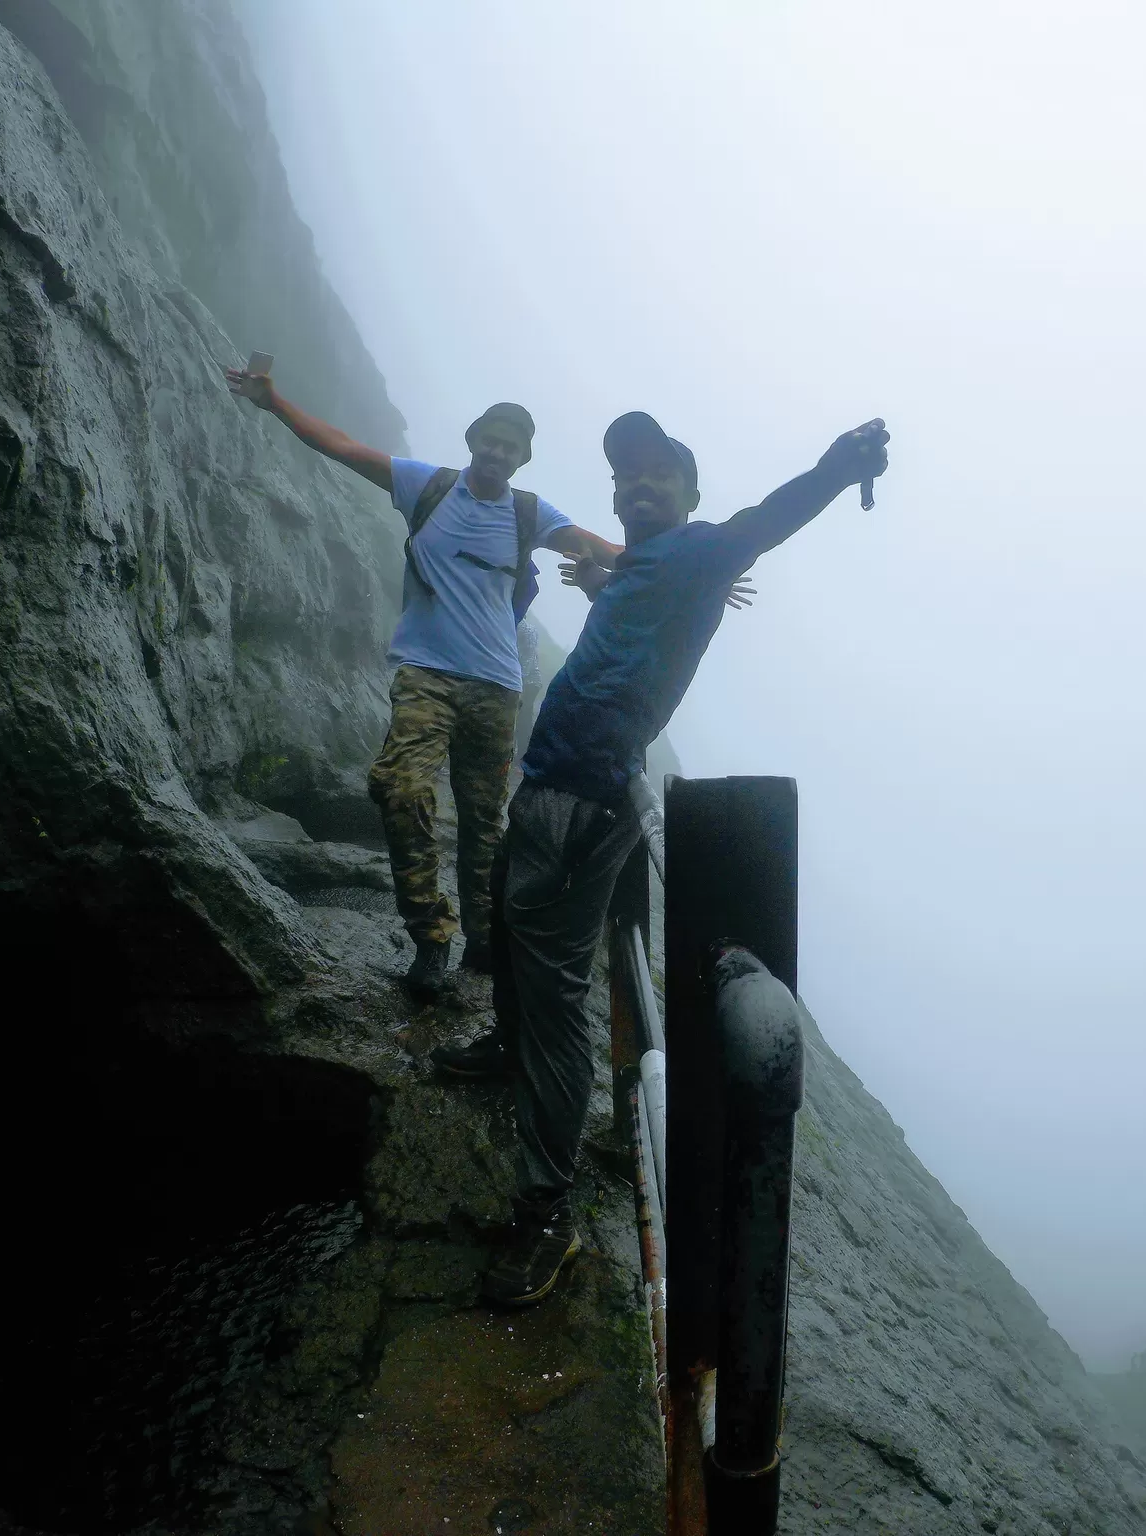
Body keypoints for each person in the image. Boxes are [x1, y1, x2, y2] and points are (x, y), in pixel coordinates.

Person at [472, 410, 890, 1306]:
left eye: (658, 473)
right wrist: (598, 578)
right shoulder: (646, 566)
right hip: (546, 784)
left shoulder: (702, 549)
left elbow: (762, 523)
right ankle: (504, 1041)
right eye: (625, 475)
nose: (636, 485)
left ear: (690, 496)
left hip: (585, 806)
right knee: (513, 952)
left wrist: (835, 463)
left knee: (555, 1004)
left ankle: (547, 1212)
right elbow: (633, 620)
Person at [224, 363, 623, 994]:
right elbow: (343, 446)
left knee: (483, 823)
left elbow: (603, 549)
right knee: (401, 789)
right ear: (472, 440)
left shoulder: (529, 513)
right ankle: (430, 940)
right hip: (425, 676)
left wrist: (692, 566)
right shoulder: (427, 487)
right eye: (489, 438)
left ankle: (484, 944)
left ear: (522, 458)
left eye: (510, 446)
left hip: (497, 687)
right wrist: (273, 401)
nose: (497, 451)